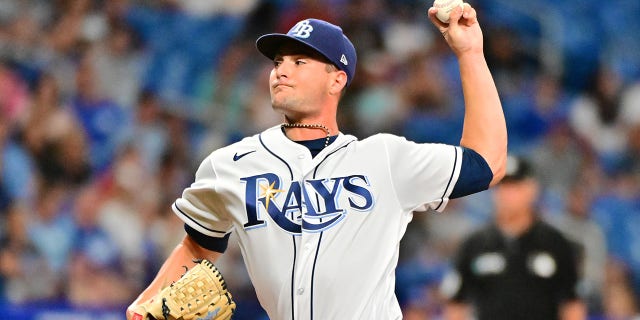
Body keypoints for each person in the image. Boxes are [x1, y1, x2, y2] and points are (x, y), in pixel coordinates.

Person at [127, 3, 507, 320]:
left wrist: (470, 53)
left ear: (336, 80)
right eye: (278, 60)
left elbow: (487, 162)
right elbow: (197, 246)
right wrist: (146, 303)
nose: (281, 69)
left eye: (300, 60)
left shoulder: (385, 159)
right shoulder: (230, 164)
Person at [440, 155, 586, 320]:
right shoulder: (474, 245)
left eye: (514, 186)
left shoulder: (555, 243)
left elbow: (572, 303)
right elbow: (456, 303)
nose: (507, 195)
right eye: (502, 187)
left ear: (532, 189)